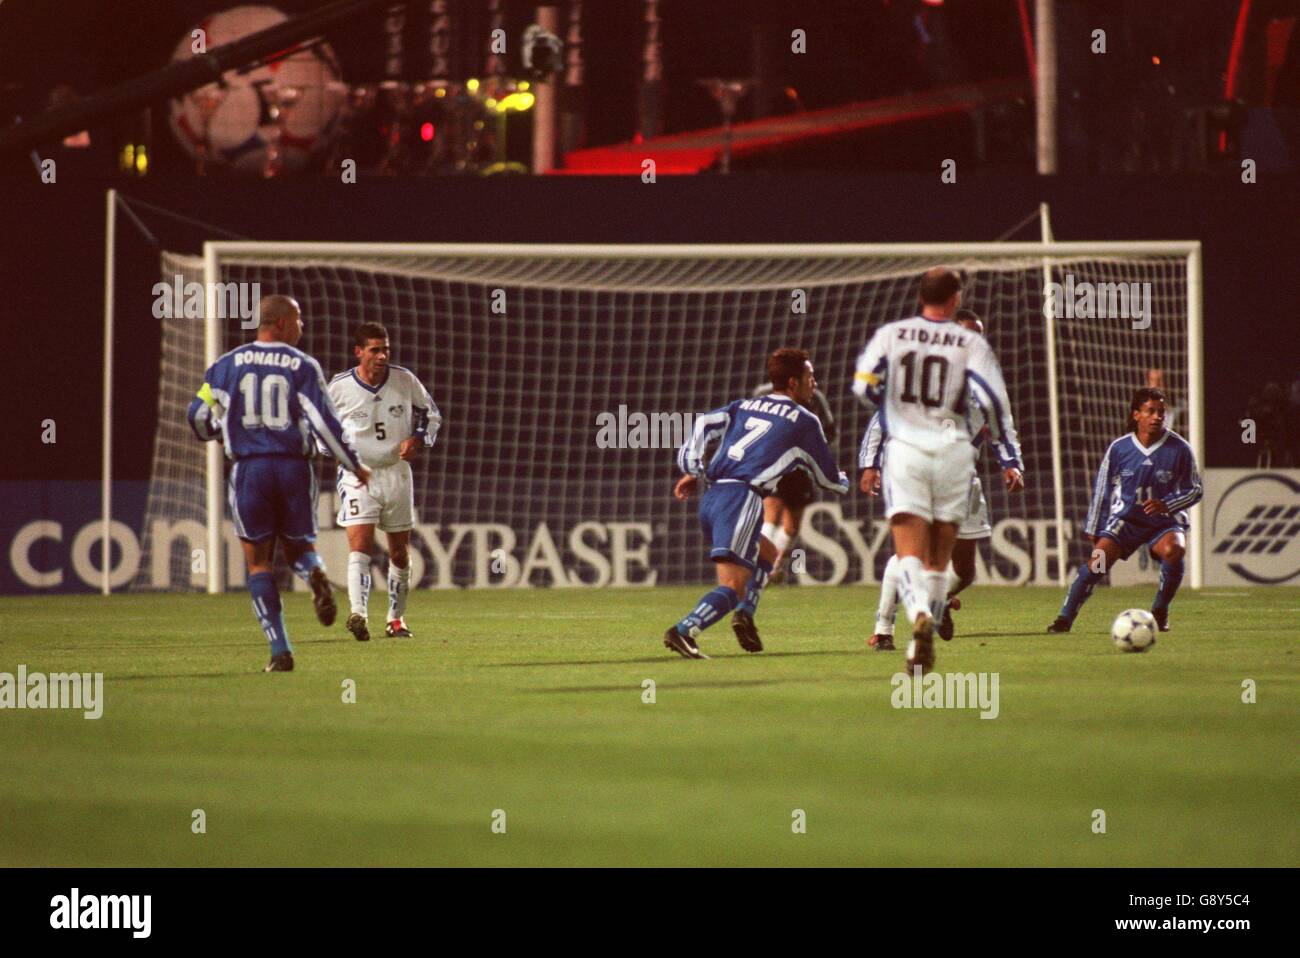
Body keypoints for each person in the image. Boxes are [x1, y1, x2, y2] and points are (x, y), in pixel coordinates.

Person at [852, 269, 1022, 673]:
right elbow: (999, 409)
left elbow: (864, 388)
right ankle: (897, 622)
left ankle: (923, 616)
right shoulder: (971, 349)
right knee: (935, 561)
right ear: (954, 300)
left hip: (909, 456)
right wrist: (1013, 459)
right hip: (953, 462)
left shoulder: (895, 335)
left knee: (918, 554)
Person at [187, 295, 369, 672]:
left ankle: (280, 651)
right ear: (282, 323)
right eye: (299, 319)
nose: (303, 326)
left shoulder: (224, 366)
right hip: (292, 468)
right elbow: (324, 423)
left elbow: (198, 416)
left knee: (258, 563)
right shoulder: (301, 365)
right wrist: (353, 464)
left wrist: (221, 432)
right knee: (299, 545)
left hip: (250, 469)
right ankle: (314, 575)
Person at [666, 348, 849, 659]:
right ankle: (684, 631)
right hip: (742, 497)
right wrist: (845, 481)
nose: (814, 383)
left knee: (769, 551)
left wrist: (693, 468)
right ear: (793, 383)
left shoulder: (744, 405)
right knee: (733, 586)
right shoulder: (805, 419)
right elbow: (828, 480)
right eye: (809, 377)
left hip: (712, 494)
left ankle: (745, 615)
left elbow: (704, 423)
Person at [1047, 387, 1202, 634]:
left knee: (1176, 549)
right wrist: (1094, 527)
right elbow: (1102, 489)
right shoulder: (1119, 448)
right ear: (1136, 414)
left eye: (1161, 411)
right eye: (1150, 411)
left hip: (1163, 522)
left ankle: (1160, 611)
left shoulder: (1180, 448)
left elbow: (1195, 490)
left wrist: (1168, 505)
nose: (1157, 417)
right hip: (1125, 521)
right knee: (1095, 565)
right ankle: (1064, 619)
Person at [327, 322, 441, 641]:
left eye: (386, 348)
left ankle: (395, 619)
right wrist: (333, 450)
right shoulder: (339, 386)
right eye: (375, 349)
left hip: (396, 474)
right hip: (357, 474)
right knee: (360, 547)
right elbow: (318, 424)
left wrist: (418, 439)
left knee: (400, 553)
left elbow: (432, 415)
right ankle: (358, 614)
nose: (382, 355)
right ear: (359, 352)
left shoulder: (404, 380)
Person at [748, 378, 837, 583]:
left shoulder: (815, 397)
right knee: (772, 511)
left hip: (801, 466)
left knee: (791, 527)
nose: (811, 379)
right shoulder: (763, 393)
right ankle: (762, 567)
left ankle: (770, 567)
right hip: (771, 462)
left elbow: (830, 430)